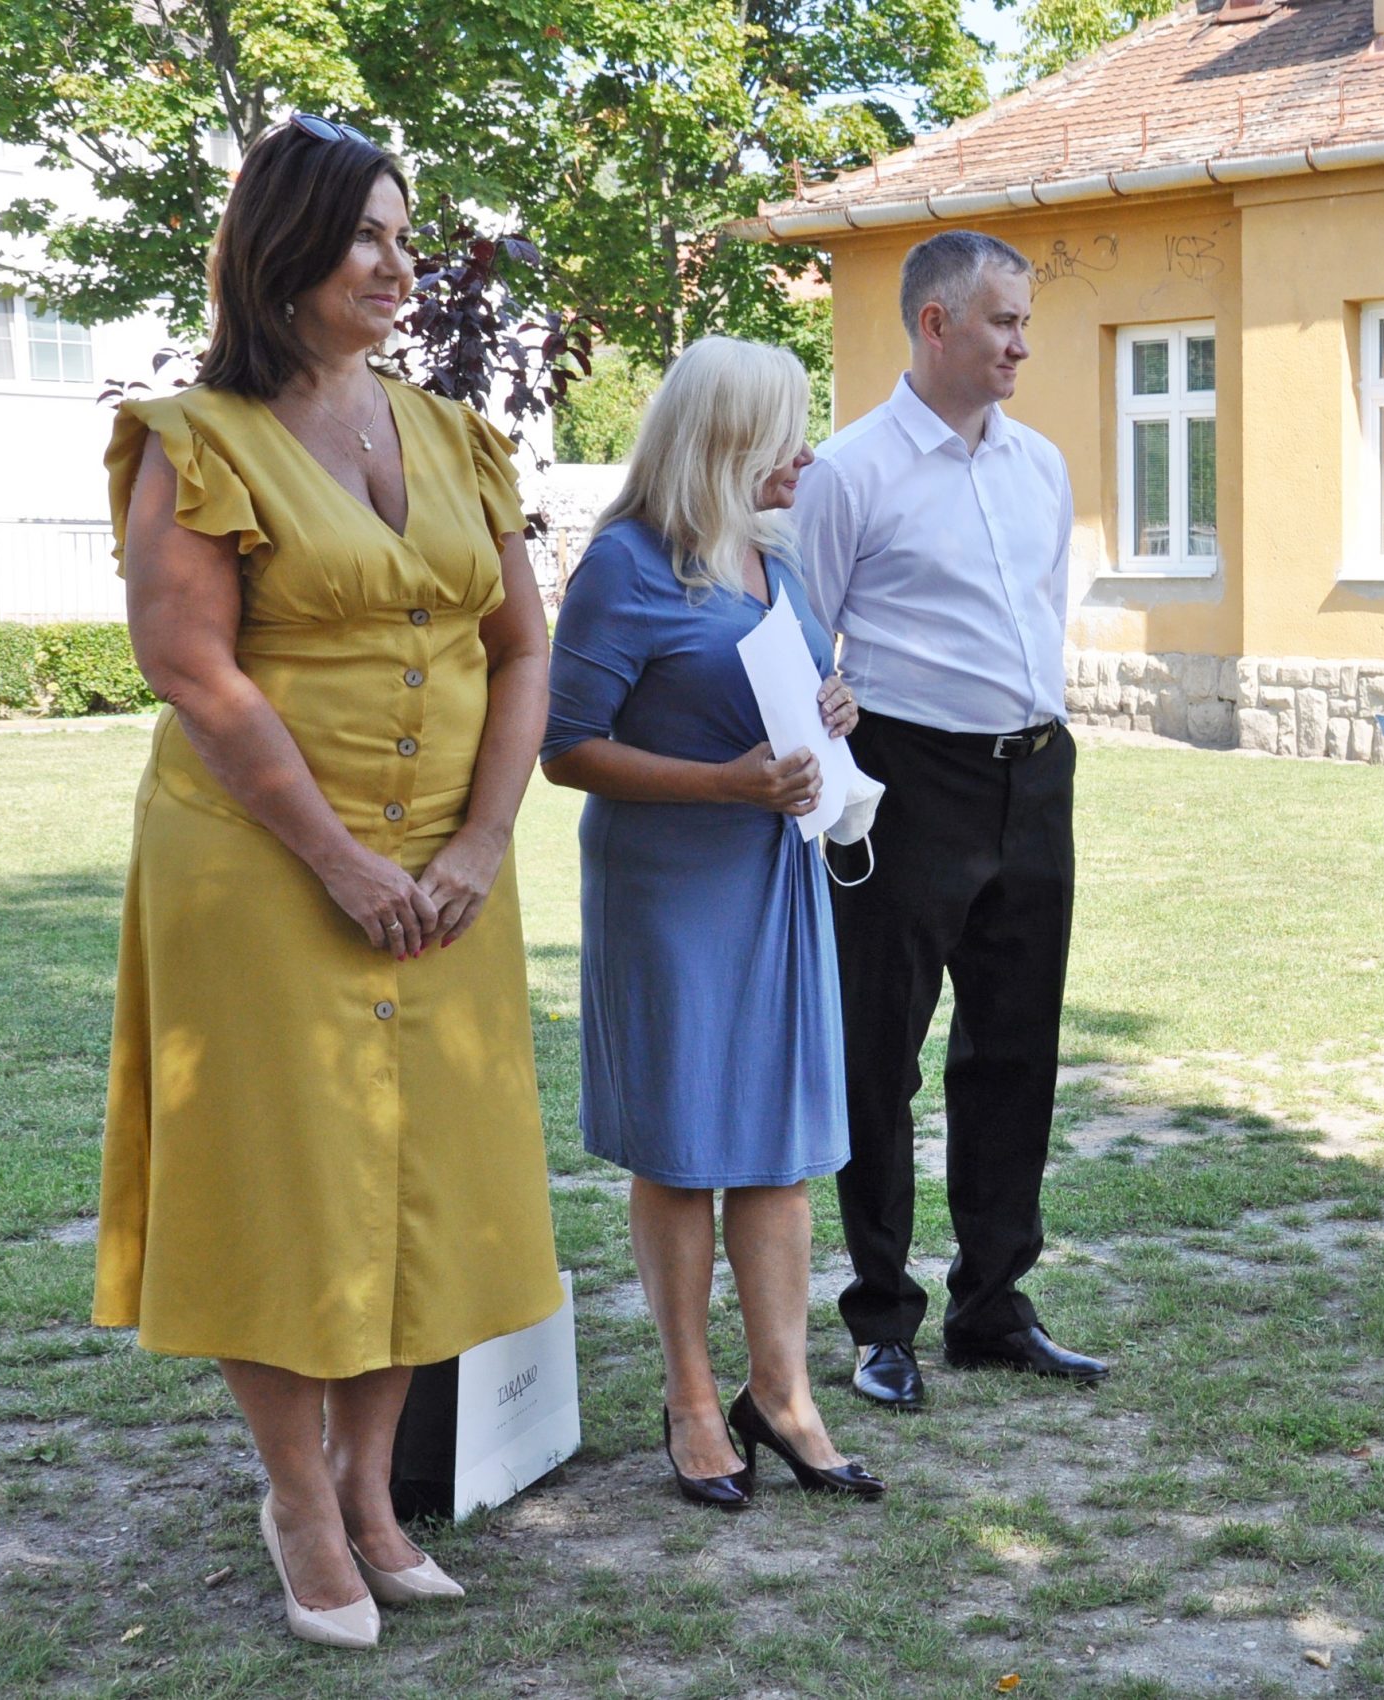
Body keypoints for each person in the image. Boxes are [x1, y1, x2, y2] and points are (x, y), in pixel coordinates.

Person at [96, 116, 562, 1648]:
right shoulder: (198, 440)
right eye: (365, 232)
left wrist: (477, 845)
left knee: (423, 1179)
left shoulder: (455, 436)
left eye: (405, 234)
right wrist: (345, 863)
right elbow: (194, 672)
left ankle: (371, 1492)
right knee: (288, 1186)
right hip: (263, 867)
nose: (396, 261)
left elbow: (522, 649)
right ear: (283, 249)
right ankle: (298, 1498)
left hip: (446, 875)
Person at [540, 336, 883, 1504]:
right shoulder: (623, 565)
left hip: (774, 879)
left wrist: (833, 707)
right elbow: (565, 747)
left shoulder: (769, 555)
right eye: (789, 431)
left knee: (781, 1148)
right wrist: (726, 782)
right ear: (726, 441)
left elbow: (779, 694)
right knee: (685, 1151)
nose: (808, 454)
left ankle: (781, 1394)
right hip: (670, 893)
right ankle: (691, 1397)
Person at [787, 229, 1105, 1410]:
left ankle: (991, 1304)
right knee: (880, 1054)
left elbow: (1039, 610)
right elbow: (802, 638)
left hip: (1034, 774)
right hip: (907, 779)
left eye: (1025, 322)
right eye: (1002, 321)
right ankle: (882, 1318)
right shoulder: (849, 471)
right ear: (935, 324)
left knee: (1015, 1049)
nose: (1021, 344)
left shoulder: (1040, 464)